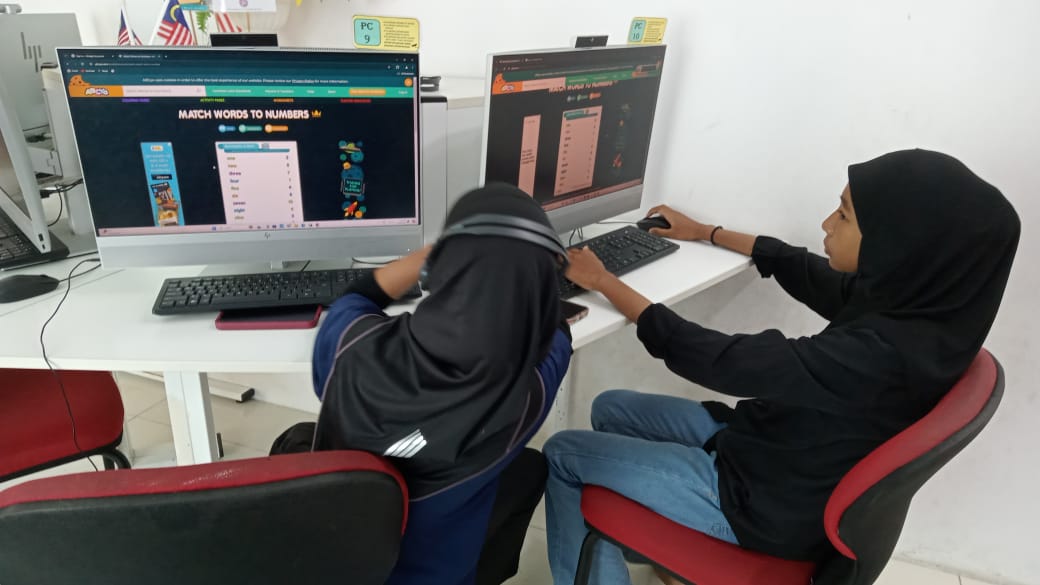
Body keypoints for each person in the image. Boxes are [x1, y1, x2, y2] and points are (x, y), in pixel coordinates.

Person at [543, 149, 1020, 584]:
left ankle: (646, 543)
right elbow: (803, 269)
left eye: (844, 215)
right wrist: (706, 232)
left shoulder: (882, 356)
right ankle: (650, 542)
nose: (827, 224)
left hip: (759, 504)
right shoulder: (917, 313)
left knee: (563, 453)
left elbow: (719, 360)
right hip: (769, 449)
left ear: (897, 244)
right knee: (611, 407)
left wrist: (603, 281)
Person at [310, 183, 573, 585]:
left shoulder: (351, 346)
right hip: (439, 577)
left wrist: (435, 253)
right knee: (529, 468)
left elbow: (356, 297)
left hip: (333, 565)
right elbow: (558, 336)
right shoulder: (524, 401)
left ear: (439, 269)